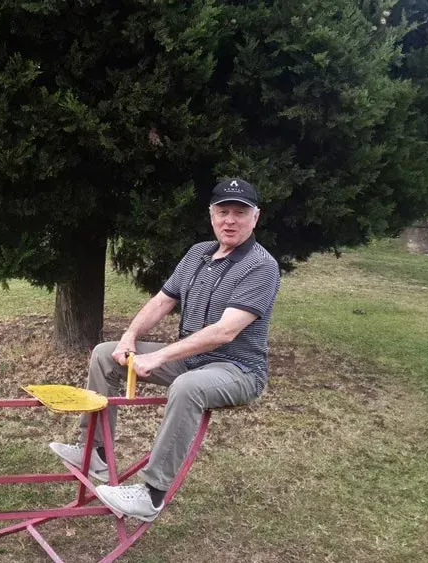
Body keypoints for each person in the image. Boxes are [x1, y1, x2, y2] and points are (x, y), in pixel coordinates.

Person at [49, 178, 280, 522]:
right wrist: (129, 336)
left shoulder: (262, 266)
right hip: (192, 360)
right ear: (211, 215)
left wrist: (159, 355)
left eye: (240, 212)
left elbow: (226, 331)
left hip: (238, 370)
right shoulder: (197, 254)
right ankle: (93, 450)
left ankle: (151, 495)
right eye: (223, 211)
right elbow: (162, 301)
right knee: (103, 354)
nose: (230, 220)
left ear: (255, 217)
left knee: (187, 387)